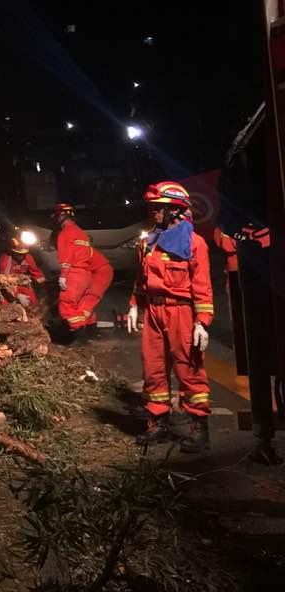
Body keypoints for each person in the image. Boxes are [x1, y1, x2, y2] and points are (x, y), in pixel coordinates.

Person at [126, 181, 214, 452]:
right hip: (154, 311)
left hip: (181, 313)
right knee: (153, 369)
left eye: (159, 208)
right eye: (152, 207)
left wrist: (202, 323)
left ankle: (199, 429)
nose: (153, 212)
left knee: (189, 370)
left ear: (176, 210)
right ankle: (158, 424)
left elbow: (202, 286)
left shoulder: (194, 243)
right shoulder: (148, 242)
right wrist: (134, 305)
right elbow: (142, 280)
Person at [51, 203, 114, 337]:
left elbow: (67, 257)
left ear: (61, 215)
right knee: (84, 304)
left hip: (85, 272)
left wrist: (63, 275)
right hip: (88, 272)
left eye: (57, 216)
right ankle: (89, 328)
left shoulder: (64, 233)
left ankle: (77, 333)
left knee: (68, 303)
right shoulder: (80, 232)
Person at [0, 230, 44, 308]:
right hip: (9, 286)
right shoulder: (6, 259)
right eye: (19, 254)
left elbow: (36, 272)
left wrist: (44, 285)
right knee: (7, 306)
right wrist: (18, 295)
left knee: (33, 302)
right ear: (13, 252)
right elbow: (4, 280)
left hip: (23, 283)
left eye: (23, 254)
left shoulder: (27, 257)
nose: (22, 256)